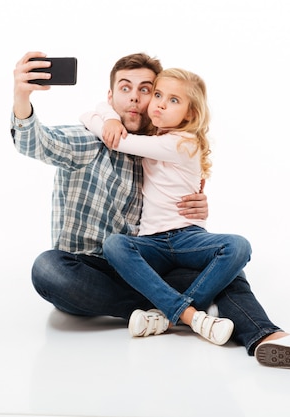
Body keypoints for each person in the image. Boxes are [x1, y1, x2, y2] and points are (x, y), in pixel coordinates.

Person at [10, 51, 290, 372]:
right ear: (110, 96)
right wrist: (23, 97)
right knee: (47, 268)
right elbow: (36, 141)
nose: (135, 97)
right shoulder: (90, 138)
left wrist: (196, 208)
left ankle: (264, 337)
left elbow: (174, 191)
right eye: (125, 88)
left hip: (145, 264)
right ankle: (188, 313)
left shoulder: (157, 145)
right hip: (90, 271)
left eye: (147, 90)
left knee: (227, 266)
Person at [80, 68, 251, 346]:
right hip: (151, 242)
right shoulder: (154, 138)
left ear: (190, 114)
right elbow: (93, 111)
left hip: (187, 237)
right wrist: (111, 116)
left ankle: (168, 315)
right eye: (158, 95)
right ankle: (191, 315)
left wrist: (107, 123)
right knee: (114, 246)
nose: (159, 103)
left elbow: (110, 133)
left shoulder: (183, 142)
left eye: (173, 100)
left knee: (238, 246)